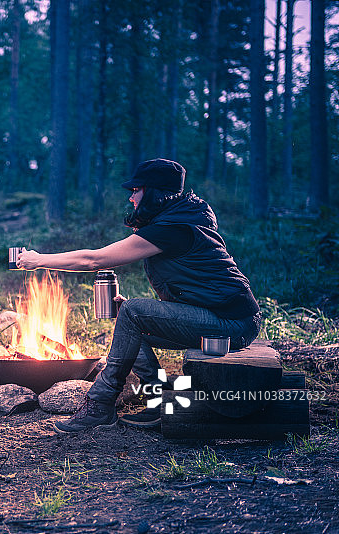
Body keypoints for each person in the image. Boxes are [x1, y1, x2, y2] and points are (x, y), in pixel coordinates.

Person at [17, 158, 261, 434]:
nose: (131, 196)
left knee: (133, 312)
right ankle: (158, 402)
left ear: (155, 192)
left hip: (232, 323)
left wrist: (38, 259)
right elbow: (194, 285)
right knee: (131, 319)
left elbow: (93, 259)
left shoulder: (173, 228)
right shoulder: (182, 217)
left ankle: (99, 404)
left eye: (136, 190)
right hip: (227, 317)